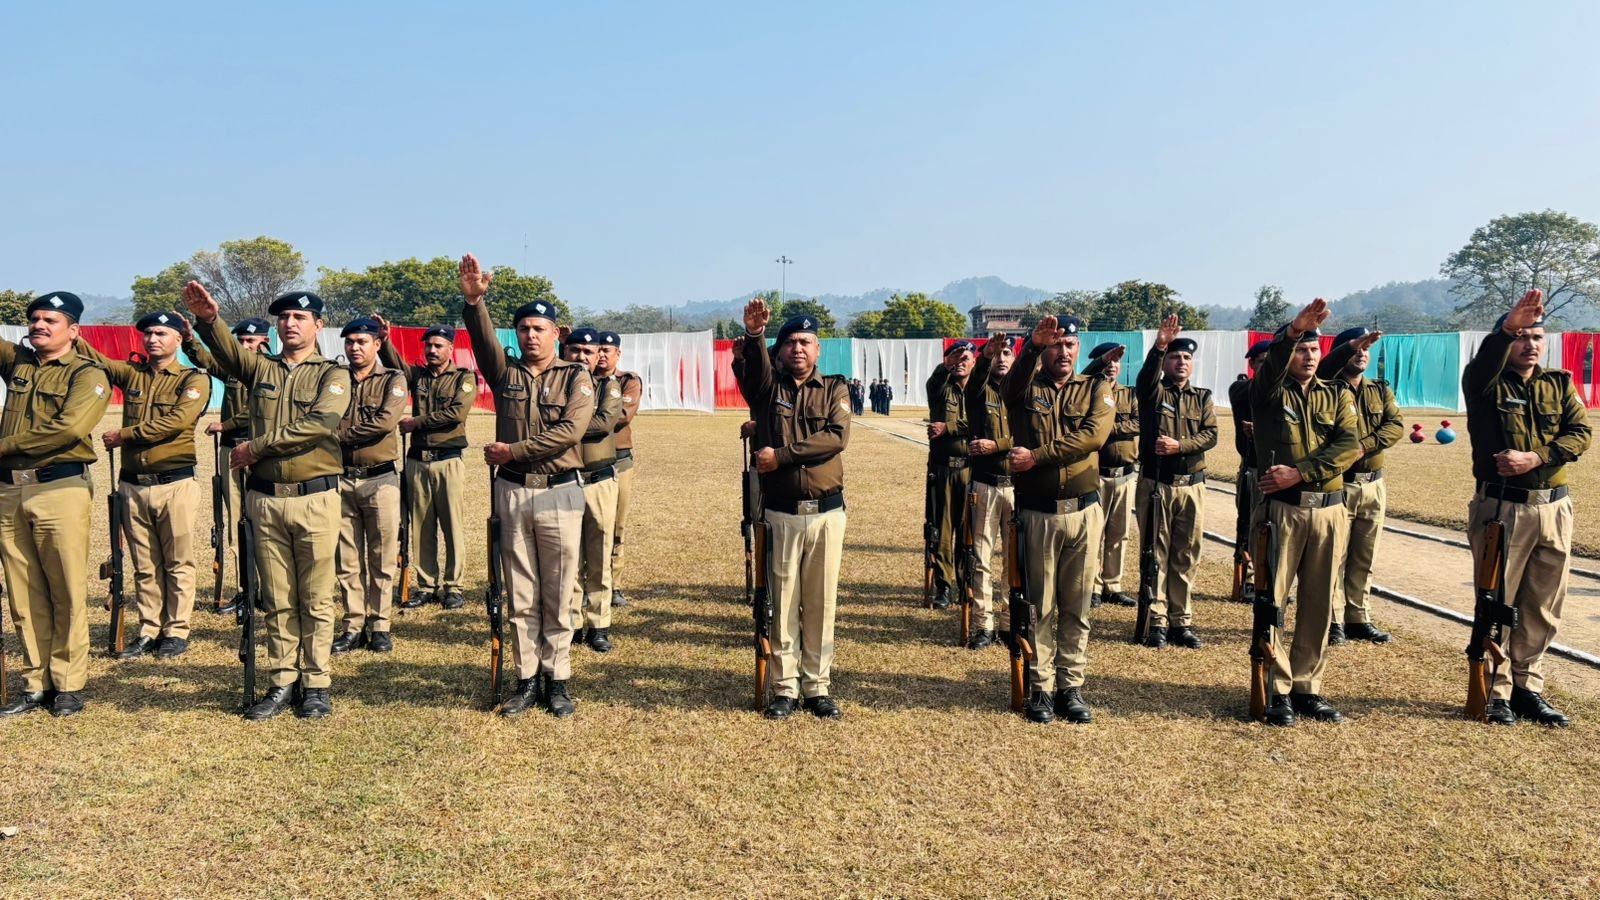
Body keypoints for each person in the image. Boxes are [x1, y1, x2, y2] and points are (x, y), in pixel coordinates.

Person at [184, 283, 351, 721]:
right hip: (265, 499)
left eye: (300, 317)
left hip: (315, 498)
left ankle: (316, 683)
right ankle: (282, 680)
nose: (290, 324)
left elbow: (319, 424)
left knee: (315, 597)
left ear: (318, 325)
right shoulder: (261, 368)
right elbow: (226, 352)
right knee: (277, 597)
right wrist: (209, 320)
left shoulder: (333, 375)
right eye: (284, 318)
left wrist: (256, 448)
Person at [459, 254, 593, 719]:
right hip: (514, 491)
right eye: (523, 329)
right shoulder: (506, 374)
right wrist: (475, 303)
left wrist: (513, 450)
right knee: (519, 590)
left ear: (557, 334)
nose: (531, 335)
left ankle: (557, 679)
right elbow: (482, 343)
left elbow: (571, 432)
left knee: (559, 589)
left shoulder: (576, 376)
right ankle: (526, 677)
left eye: (539, 328)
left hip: (560, 491)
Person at [1462, 289, 1590, 726]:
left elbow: (1580, 433)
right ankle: (1494, 691)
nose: (1530, 344)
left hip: (1553, 508)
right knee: (1498, 601)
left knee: (1542, 604)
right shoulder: (1485, 383)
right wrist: (1505, 330)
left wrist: (1536, 457)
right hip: (1503, 508)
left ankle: (1527, 688)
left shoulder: (1558, 383)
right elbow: (1483, 364)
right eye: (1521, 337)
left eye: (1537, 337)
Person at [736, 301, 850, 720]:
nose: (798, 348)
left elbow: (836, 437)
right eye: (790, 343)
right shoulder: (769, 389)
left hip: (826, 514)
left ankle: (817, 687)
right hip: (781, 513)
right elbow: (753, 375)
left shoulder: (835, 388)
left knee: (821, 602)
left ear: (818, 349)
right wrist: (755, 335)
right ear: (779, 350)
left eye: (805, 342)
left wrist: (781, 456)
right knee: (782, 602)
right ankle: (784, 687)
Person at [75, 311, 211, 661]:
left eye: (161, 333)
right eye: (148, 333)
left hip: (175, 483)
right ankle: (149, 628)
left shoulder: (194, 379)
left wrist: (125, 435)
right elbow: (98, 360)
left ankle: (176, 630)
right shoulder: (132, 373)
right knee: (144, 563)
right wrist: (72, 334)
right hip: (133, 484)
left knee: (178, 561)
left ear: (178, 339)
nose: (152, 339)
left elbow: (176, 421)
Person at [1250, 297, 1359, 727]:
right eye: (1301, 349)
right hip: (1283, 512)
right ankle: (1276, 688)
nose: (1308, 356)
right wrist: (1291, 332)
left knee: (1318, 604)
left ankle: (1306, 687)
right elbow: (1271, 368)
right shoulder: (1268, 392)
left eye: (1314, 349)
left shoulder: (1337, 394)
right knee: (1272, 601)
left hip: (1329, 511)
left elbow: (1349, 446)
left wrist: (1300, 472)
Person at [0, 292, 110, 719]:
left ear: (73, 330)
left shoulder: (88, 374)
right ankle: (35, 682)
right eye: (34, 319)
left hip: (58, 488)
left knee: (65, 589)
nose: (39, 325)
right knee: (23, 592)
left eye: (50, 320)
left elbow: (67, 430)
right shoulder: (19, 363)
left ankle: (67, 683)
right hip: (10, 489)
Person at [1002, 315, 1115, 725]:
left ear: (1078, 348)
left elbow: (1093, 437)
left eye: (1069, 345)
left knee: (1078, 604)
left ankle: (1071, 685)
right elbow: (1008, 387)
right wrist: (1029, 347)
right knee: (1040, 605)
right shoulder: (1024, 388)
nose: (1063, 352)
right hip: (1038, 513)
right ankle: (1041, 685)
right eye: (1055, 345)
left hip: (1084, 512)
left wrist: (1037, 456)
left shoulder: (1096, 388)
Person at [377, 320, 474, 611]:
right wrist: (385, 341)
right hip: (418, 461)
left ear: (450, 349)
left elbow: (456, 413)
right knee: (420, 526)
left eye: (438, 346)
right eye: (428, 345)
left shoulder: (463, 378)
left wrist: (417, 422)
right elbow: (395, 366)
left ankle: (453, 586)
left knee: (452, 525)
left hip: (448, 460)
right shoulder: (417, 375)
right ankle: (427, 584)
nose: (431, 350)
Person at [1134, 315, 1217, 649]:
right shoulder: (1153, 392)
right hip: (1158, 484)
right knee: (1156, 553)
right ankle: (1155, 620)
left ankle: (1180, 621)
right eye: (1174, 357)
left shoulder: (1202, 397)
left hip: (1192, 485)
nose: (1181, 362)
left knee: (1186, 554)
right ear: (1165, 362)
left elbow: (1210, 434)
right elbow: (1144, 379)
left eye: (1186, 357)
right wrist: (1159, 347)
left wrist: (1180, 446)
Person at [1318, 326, 1401, 646]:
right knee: (1333, 557)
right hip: (1340, 484)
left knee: (1364, 556)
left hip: (1373, 485)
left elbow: (1395, 425)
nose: (1362, 354)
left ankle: (1358, 616)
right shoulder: (1326, 388)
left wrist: (1364, 446)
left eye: (1366, 349)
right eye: (1356, 348)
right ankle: (1333, 619)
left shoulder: (1379, 390)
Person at [185, 317, 272, 615]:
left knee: (264, 521)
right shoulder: (233, 369)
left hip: (260, 449)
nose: (245, 345)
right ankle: (246, 589)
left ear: (264, 342)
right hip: (230, 449)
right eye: (240, 341)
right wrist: (190, 339)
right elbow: (207, 361)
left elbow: (258, 409)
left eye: (251, 341)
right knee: (236, 519)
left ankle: (270, 590)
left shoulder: (271, 370)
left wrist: (227, 423)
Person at [331, 319, 407, 655]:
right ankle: (353, 624)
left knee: (382, 557)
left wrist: (335, 437)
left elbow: (384, 422)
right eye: (349, 342)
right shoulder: (335, 379)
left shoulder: (393, 379)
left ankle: (380, 625)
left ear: (377, 344)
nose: (354, 348)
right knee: (346, 559)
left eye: (362, 341)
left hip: (380, 479)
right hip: (340, 477)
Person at [561, 327, 623, 653]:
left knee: (599, 555)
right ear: (565, 351)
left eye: (589, 352)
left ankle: (598, 624)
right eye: (575, 350)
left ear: (599, 354)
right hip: (565, 479)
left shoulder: (608, 385)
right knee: (568, 556)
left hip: (599, 480)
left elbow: (604, 423)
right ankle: (571, 623)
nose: (582, 357)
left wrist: (564, 427)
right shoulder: (556, 383)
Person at [963, 334, 1015, 650]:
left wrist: (998, 445)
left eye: (1007, 353)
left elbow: (1031, 435)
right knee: (981, 558)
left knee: (1013, 559)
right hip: (985, 484)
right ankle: (984, 624)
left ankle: (1009, 623)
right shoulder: (979, 391)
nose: (1002, 358)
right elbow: (974, 381)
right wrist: (985, 356)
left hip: (1017, 486)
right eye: (997, 354)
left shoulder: (1023, 391)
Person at [1085, 342, 1138, 609]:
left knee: (1119, 533)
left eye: (1116, 362)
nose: (1112, 366)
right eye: (1107, 362)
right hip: (1097, 474)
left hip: (1125, 475)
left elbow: (1139, 422)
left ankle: (1112, 585)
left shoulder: (1129, 394)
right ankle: (1093, 586)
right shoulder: (1088, 392)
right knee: (1094, 533)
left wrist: (1107, 428)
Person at [926, 342, 976, 611]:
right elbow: (934, 380)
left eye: (965, 358)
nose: (960, 362)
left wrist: (949, 427)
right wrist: (945, 365)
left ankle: (965, 581)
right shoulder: (940, 388)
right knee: (942, 530)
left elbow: (982, 425)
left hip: (971, 469)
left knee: (968, 530)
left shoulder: (981, 390)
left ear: (974, 362)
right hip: (944, 469)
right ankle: (943, 585)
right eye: (955, 358)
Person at [594, 331, 640, 610]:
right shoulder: (583, 379)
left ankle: (614, 584)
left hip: (619, 462)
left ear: (617, 354)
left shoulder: (628, 381)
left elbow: (622, 416)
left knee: (617, 526)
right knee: (592, 526)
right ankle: (591, 582)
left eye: (607, 351)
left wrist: (585, 418)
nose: (601, 355)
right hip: (589, 462)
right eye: (597, 350)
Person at [1227, 339, 1271, 595]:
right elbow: (1251, 392)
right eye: (1263, 362)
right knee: (1253, 526)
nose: (1269, 367)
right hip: (1254, 469)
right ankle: (1251, 580)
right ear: (1252, 364)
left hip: (1284, 471)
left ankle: (1271, 580)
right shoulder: (1242, 388)